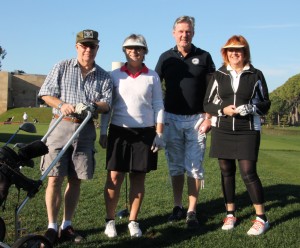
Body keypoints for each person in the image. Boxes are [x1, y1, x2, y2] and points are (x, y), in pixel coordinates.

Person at [38, 29, 112, 245]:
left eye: (92, 46)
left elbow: (107, 103)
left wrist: (92, 106)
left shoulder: (104, 75)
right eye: (84, 45)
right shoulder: (61, 66)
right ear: (77, 46)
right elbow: (45, 93)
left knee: (76, 179)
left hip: (85, 130)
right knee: (54, 178)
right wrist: (62, 105)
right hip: (60, 126)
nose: (88, 49)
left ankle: (67, 225)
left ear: (98, 47)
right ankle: (52, 227)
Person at [203, 35, 271, 235]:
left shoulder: (255, 74)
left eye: (239, 50)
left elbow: (265, 104)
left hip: (248, 129)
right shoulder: (218, 75)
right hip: (222, 129)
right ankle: (230, 213)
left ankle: (261, 217)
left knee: (248, 172)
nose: (235, 53)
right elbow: (207, 103)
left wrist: (249, 108)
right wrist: (224, 110)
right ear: (225, 53)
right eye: (231, 50)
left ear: (245, 52)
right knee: (226, 171)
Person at [100, 34, 164, 238]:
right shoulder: (114, 75)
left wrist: (159, 133)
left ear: (145, 51)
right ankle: (110, 221)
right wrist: (103, 131)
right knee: (114, 177)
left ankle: (133, 221)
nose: (134, 51)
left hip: (145, 132)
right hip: (119, 130)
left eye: (139, 48)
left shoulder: (152, 76)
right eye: (130, 48)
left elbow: (158, 106)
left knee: (138, 177)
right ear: (124, 51)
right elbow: (108, 107)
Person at [155, 16, 215, 228]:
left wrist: (209, 118)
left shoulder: (205, 57)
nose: (184, 35)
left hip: (197, 119)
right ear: (174, 33)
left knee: (195, 167)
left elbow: (213, 91)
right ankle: (178, 206)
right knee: (176, 167)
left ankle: (192, 210)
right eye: (180, 31)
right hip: (171, 119)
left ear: (193, 33)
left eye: (188, 31)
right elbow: (154, 88)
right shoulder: (165, 58)